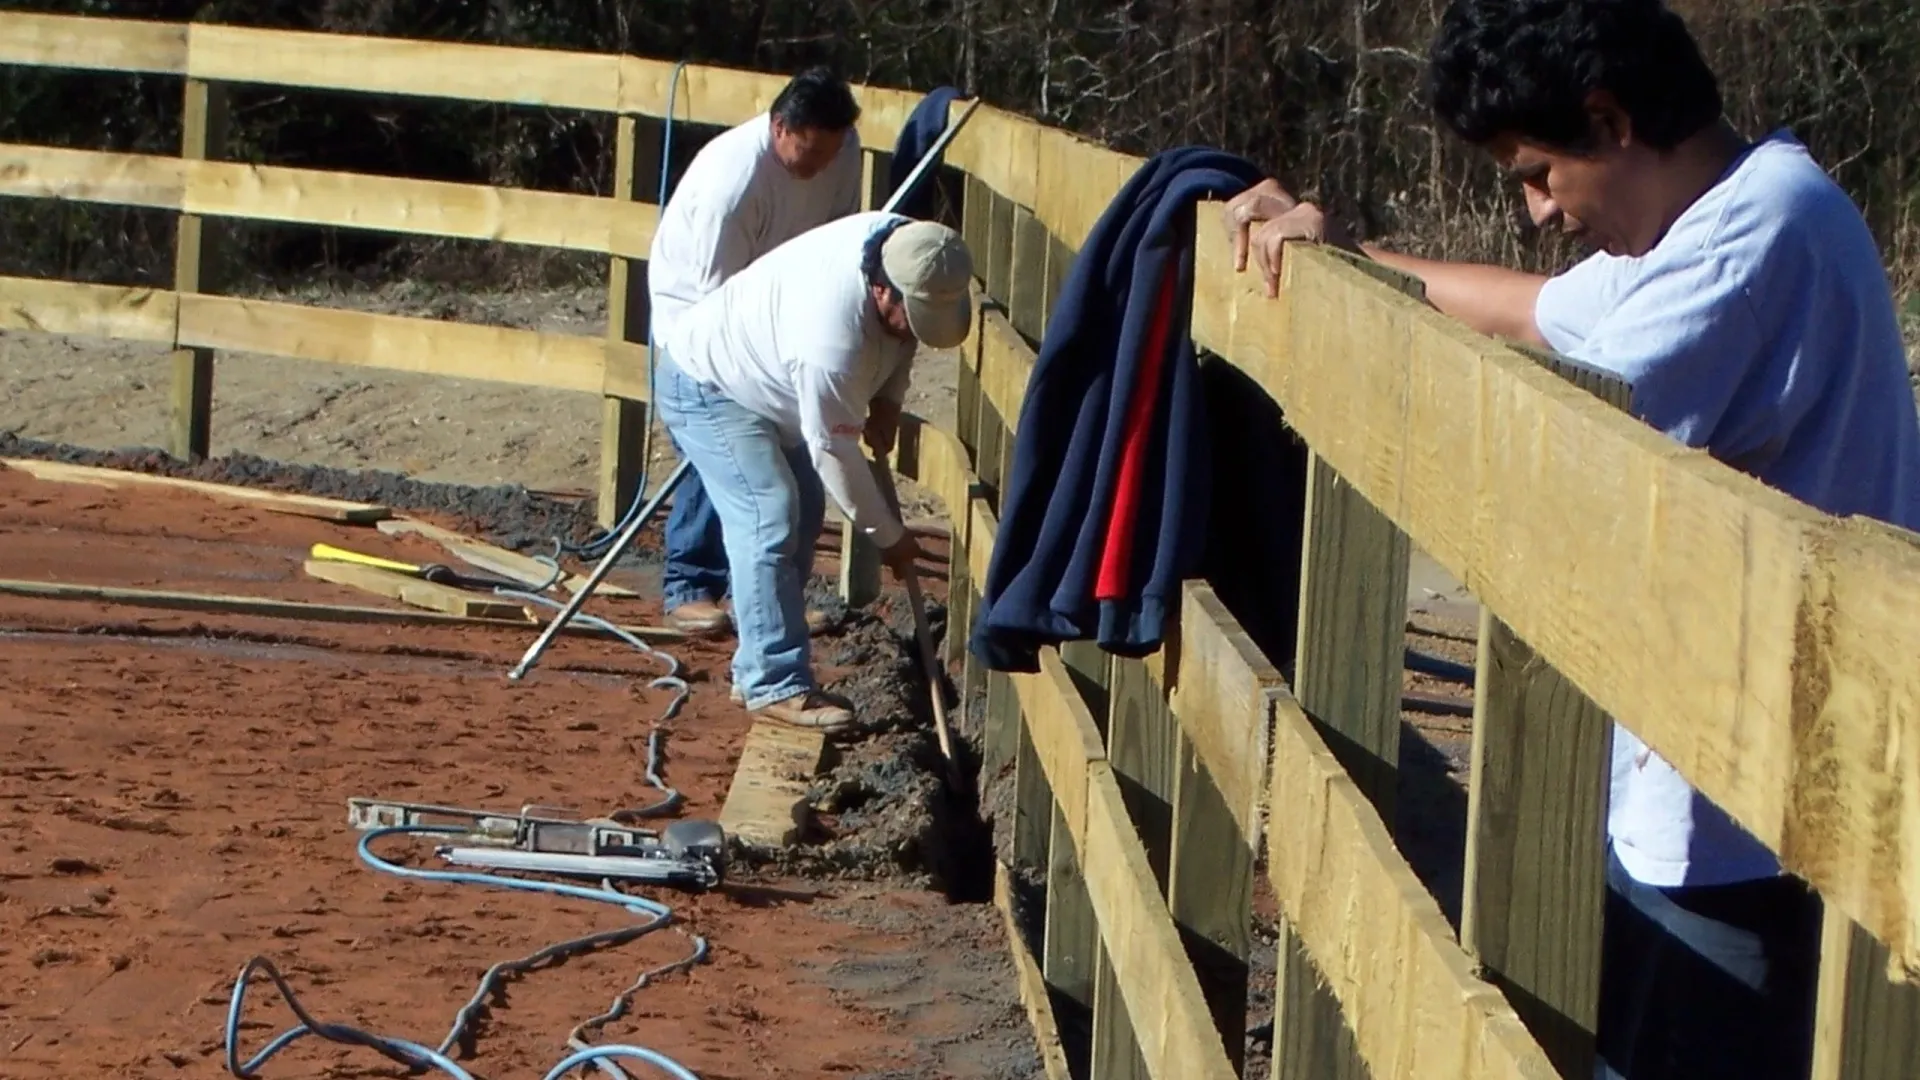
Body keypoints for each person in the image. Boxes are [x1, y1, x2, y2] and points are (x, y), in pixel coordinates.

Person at [1221, 0, 1920, 1076]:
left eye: (1538, 173)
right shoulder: (1718, 218)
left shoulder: (1753, 238)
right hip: (1705, 785)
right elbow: (1530, 310)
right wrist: (1348, 256)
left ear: (1612, 119)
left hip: (1743, 822)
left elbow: (1551, 456)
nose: (1542, 210)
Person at [654, 211, 973, 733]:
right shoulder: (832, 337)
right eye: (908, 312)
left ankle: (757, 657)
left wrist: (889, 398)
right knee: (769, 512)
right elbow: (834, 453)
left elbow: (905, 338)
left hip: (771, 379)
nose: (913, 328)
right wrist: (888, 537)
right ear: (882, 291)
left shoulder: (918, 248)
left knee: (803, 513)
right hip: (709, 385)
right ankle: (772, 682)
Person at [647, 66, 865, 638]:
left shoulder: (842, 152)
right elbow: (714, 303)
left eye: (829, 153)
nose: (818, 168)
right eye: (805, 154)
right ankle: (689, 584)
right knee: (727, 453)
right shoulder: (732, 185)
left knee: (780, 477)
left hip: (781, 315)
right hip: (704, 322)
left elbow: (839, 239)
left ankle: (767, 605)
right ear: (777, 128)